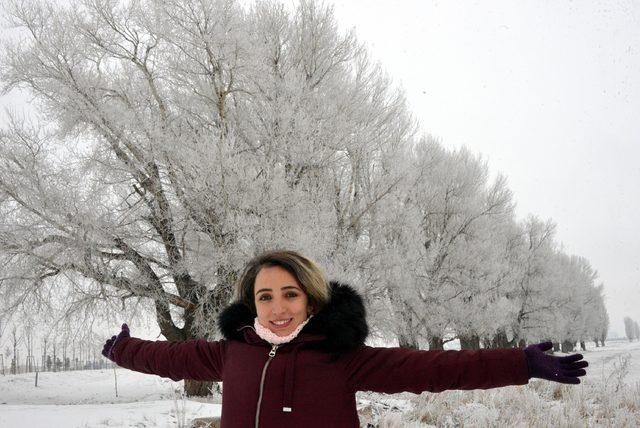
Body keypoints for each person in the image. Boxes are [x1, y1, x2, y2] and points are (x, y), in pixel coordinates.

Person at [102, 250, 588, 428]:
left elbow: (434, 369)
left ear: (311, 301)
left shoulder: (343, 359)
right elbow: (170, 356)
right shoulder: (233, 353)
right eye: (264, 296)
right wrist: (124, 350)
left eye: (289, 294)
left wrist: (519, 364)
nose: (276, 308)